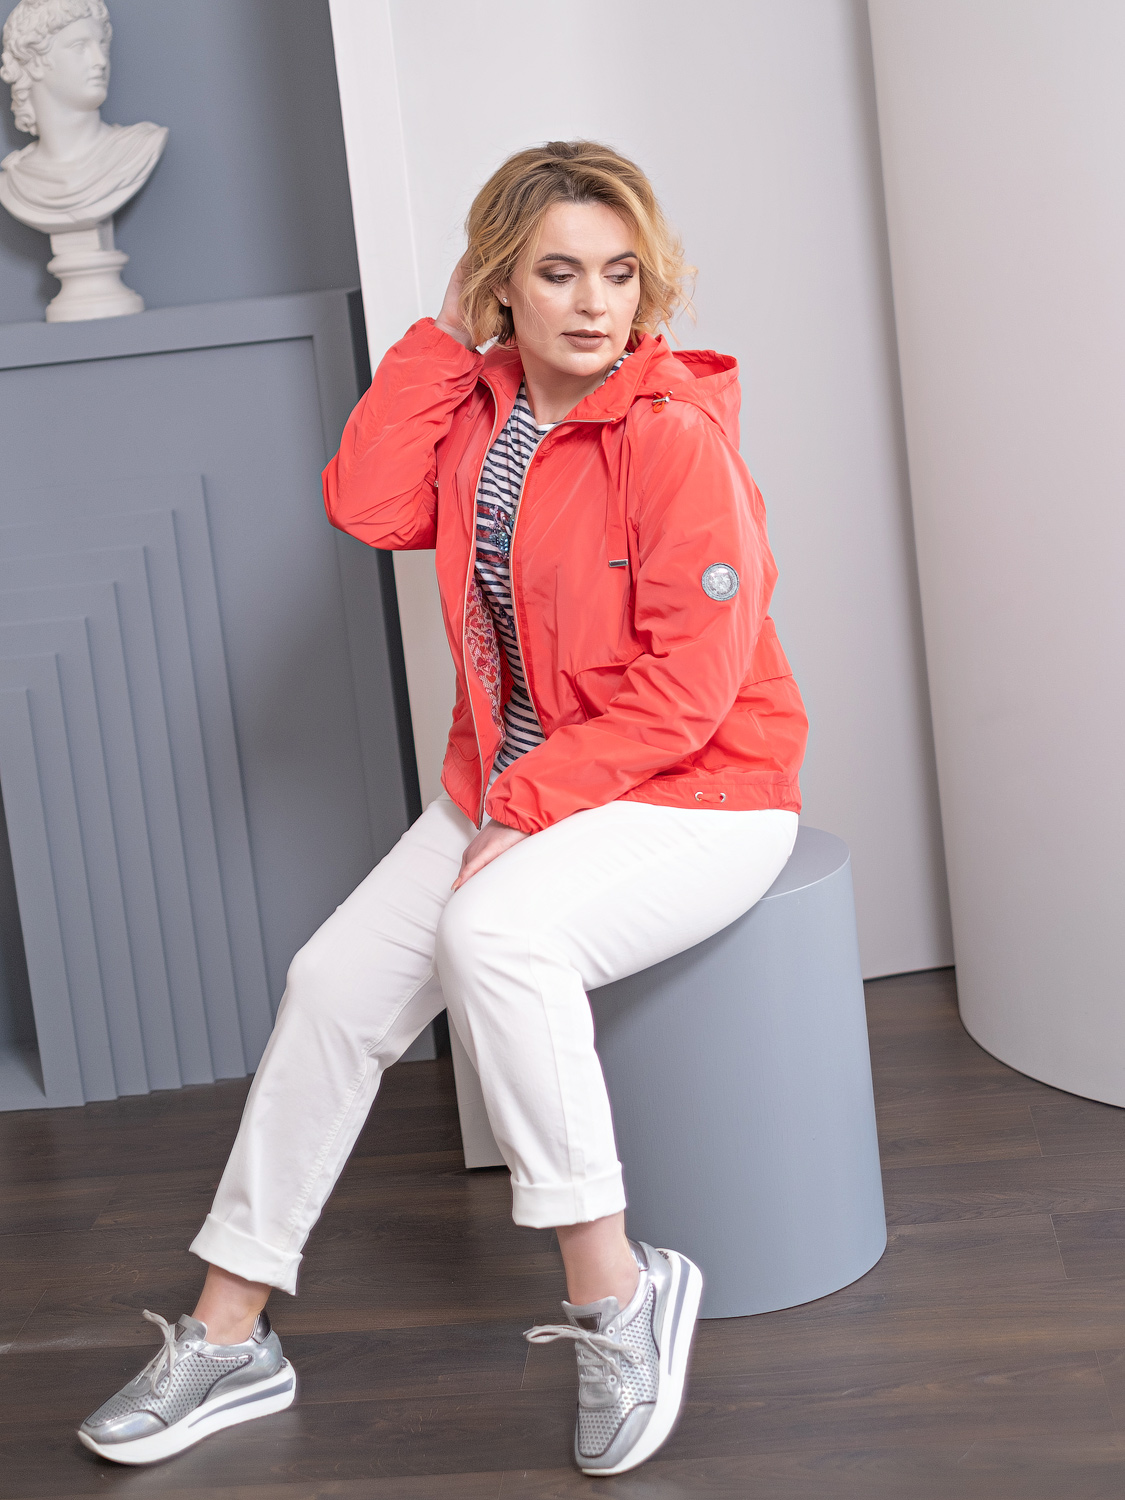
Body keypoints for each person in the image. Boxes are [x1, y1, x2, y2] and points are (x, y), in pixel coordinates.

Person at [77, 140, 808, 1477]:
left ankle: (617, 1294)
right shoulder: (480, 411)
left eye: (619, 272)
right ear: (500, 283)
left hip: (696, 791)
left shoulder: (671, 434)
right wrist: (441, 334)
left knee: (494, 939)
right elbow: (363, 502)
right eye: (556, 272)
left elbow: (691, 692)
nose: (594, 303)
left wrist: (526, 807)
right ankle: (230, 1332)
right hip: (517, 790)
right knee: (330, 986)